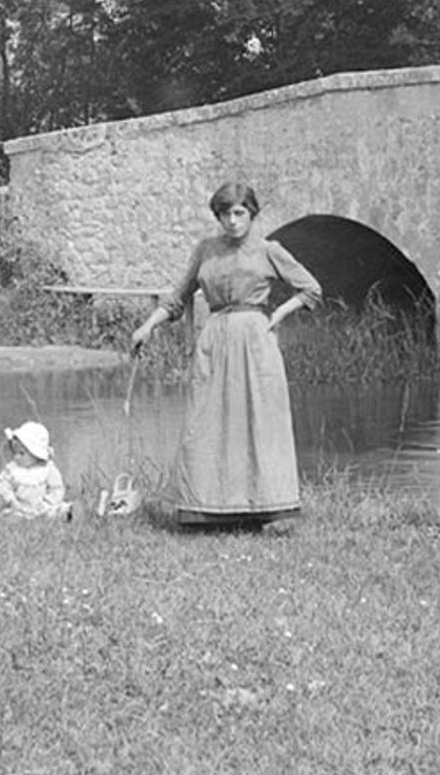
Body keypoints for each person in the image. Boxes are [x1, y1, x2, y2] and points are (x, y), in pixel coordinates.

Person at [130, 181, 321, 526]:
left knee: (257, 421)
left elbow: (311, 289)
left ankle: (260, 506)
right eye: (225, 214)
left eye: (239, 213)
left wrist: (277, 315)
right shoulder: (206, 251)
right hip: (215, 340)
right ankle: (208, 508)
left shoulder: (269, 250)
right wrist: (148, 326)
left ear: (251, 214)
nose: (232, 221)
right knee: (207, 421)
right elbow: (178, 298)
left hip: (254, 340)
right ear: (217, 216)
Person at [0, 420, 69, 520]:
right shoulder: (13, 468)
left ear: (36, 455)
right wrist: (11, 499)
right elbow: (4, 484)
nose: (16, 457)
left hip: (42, 507)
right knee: (9, 514)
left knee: (57, 510)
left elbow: (57, 489)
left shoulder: (47, 469)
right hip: (20, 507)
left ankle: (67, 514)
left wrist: (47, 503)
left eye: (21, 453)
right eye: (14, 452)